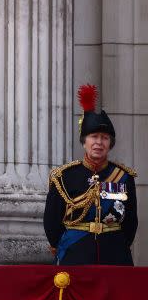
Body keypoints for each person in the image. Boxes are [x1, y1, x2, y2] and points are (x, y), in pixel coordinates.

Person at [44, 84, 138, 265]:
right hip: (75, 253)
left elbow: (130, 222)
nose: (99, 142)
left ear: (110, 143)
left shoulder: (123, 176)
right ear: (84, 142)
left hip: (114, 254)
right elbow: (52, 221)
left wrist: (118, 244)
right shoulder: (64, 176)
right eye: (94, 137)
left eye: (104, 138)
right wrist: (62, 246)